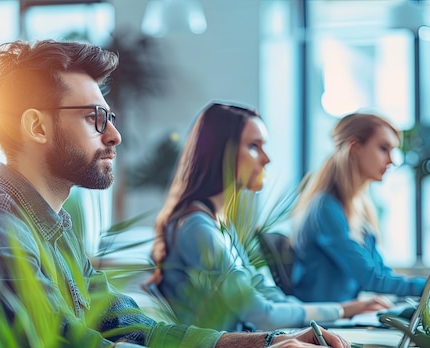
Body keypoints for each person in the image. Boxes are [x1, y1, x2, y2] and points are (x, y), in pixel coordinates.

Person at [0, 40, 354, 348]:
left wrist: (271, 343)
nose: (115, 136)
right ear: (36, 125)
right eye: (95, 118)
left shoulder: (53, 227)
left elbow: (134, 329)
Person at [149, 102, 392, 332]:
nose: (266, 159)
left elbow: (270, 295)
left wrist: (339, 312)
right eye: (254, 147)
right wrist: (343, 310)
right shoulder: (197, 228)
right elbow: (262, 314)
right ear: (223, 153)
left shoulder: (221, 225)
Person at [289, 112, 430, 303]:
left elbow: (380, 274)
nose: (392, 160)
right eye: (383, 148)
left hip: (347, 318)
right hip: (324, 328)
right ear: (355, 149)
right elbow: (374, 281)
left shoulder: (357, 208)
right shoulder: (325, 208)